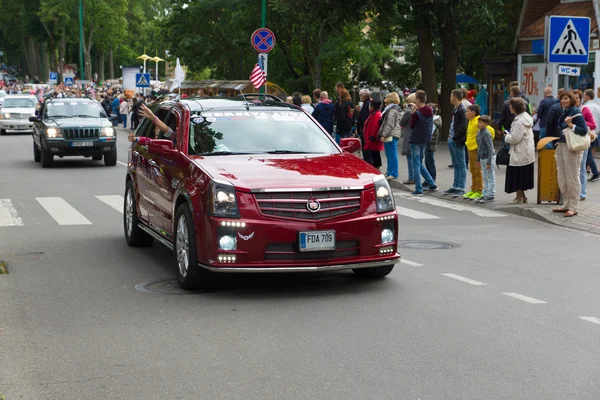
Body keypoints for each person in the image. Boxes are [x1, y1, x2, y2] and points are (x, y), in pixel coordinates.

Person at [553, 91, 589, 217]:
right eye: (562, 98)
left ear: (572, 99)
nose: (563, 101)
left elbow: (584, 131)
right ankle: (567, 204)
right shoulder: (565, 111)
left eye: (566, 98)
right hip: (563, 145)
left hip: (571, 148)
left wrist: (571, 125)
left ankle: (573, 206)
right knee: (563, 176)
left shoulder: (575, 112)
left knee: (572, 177)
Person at [501, 97, 535, 204]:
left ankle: (519, 197)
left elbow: (515, 139)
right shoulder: (527, 117)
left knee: (518, 175)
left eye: (510, 106)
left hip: (519, 151)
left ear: (515, 107)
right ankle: (522, 196)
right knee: (523, 174)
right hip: (527, 151)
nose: (509, 107)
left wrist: (506, 136)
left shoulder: (518, 121)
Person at [408, 90, 437, 195]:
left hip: (416, 139)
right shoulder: (430, 110)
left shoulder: (417, 113)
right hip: (425, 139)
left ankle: (418, 188)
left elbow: (412, 125)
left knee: (415, 163)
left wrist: (413, 113)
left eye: (415, 98)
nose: (414, 100)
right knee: (419, 163)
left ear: (418, 100)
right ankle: (432, 183)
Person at [573, 90, 596, 201]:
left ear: (581, 99)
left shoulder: (584, 109)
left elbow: (593, 124)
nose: (575, 100)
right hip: (571, 141)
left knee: (581, 167)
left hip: (582, 141)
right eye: (573, 98)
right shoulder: (567, 111)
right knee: (573, 167)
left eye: (577, 98)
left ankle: (582, 193)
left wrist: (581, 122)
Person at [444, 89, 468, 196]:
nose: (449, 98)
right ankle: (456, 185)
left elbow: (463, 126)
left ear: (455, 97)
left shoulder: (462, 110)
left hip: (457, 140)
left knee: (461, 164)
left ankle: (461, 187)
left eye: (451, 96)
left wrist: (455, 137)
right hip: (452, 139)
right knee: (456, 164)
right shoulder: (456, 109)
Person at [378, 92, 402, 180]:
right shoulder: (393, 109)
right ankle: (389, 171)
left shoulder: (392, 110)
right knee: (389, 154)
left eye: (387, 97)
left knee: (391, 154)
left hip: (391, 134)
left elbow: (390, 124)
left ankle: (393, 173)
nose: (385, 99)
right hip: (392, 134)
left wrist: (384, 135)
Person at [464, 104, 484, 200]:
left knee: (477, 170)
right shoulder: (470, 121)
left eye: (467, 111)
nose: (466, 113)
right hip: (470, 148)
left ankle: (479, 190)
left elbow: (490, 131)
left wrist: (481, 145)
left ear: (473, 112)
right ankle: (473, 189)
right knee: (472, 170)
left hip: (476, 149)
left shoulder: (478, 121)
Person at [475, 115, 496, 203]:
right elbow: (479, 147)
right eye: (478, 122)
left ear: (486, 124)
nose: (478, 124)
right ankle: (485, 193)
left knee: (490, 176)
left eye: (480, 123)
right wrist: (478, 159)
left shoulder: (487, 133)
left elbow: (490, 148)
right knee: (484, 175)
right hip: (482, 157)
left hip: (488, 157)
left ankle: (490, 194)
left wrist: (488, 162)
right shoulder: (479, 132)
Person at [583, 89, 600, 182]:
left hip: (588, 132)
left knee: (587, 153)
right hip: (596, 133)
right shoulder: (597, 107)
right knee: (587, 152)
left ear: (588, 96)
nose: (583, 97)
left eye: (584, 95)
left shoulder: (586, 107)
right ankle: (585, 170)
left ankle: (595, 172)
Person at [362, 99, 383, 169]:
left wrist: (372, 137)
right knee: (374, 155)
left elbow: (375, 127)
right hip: (371, 139)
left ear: (372, 106)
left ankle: (376, 170)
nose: (368, 107)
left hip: (373, 140)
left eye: (370, 106)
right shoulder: (373, 114)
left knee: (375, 156)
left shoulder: (376, 115)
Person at [399, 95, 415, 184]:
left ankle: (411, 177)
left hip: (408, 134)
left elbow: (401, 122)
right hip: (415, 135)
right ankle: (415, 177)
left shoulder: (408, 111)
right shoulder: (416, 110)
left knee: (409, 157)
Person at [425, 103, 441, 183]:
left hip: (430, 143)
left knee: (430, 162)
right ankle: (428, 178)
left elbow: (430, 132)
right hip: (428, 143)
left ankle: (432, 179)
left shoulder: (434, 120)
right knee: (427, 162)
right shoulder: (431, 119)